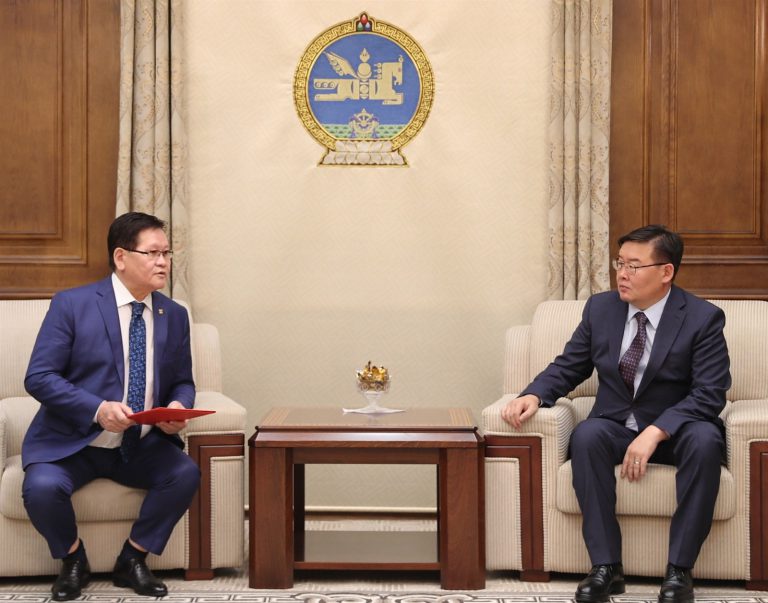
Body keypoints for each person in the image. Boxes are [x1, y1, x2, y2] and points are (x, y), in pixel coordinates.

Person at [501, 225, 730, 603]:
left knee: (705, 440)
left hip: (679, 431)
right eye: (619, 263)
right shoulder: (601, 308)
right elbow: (570, 365)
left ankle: (679, 570)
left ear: (666, 271)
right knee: (587, 435)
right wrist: (535, 394)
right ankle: (606, 567)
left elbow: (710, 393)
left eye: (634, 266)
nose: (622, 274)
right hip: (617, 425)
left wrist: (657, 430)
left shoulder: (702, 318)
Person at [22, 212, 201, 601]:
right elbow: (39, 377)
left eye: (167, 253)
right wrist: (97, 408)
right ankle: (73, 560)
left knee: (185, 473)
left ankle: (132, 558)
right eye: (152, 253)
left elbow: (183, 381)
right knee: (41, 488)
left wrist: (177, 406)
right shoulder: (72, 304)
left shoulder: (174, 314)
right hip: (74, 443)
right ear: (121, 257)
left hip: (140, 444)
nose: (163, 262)